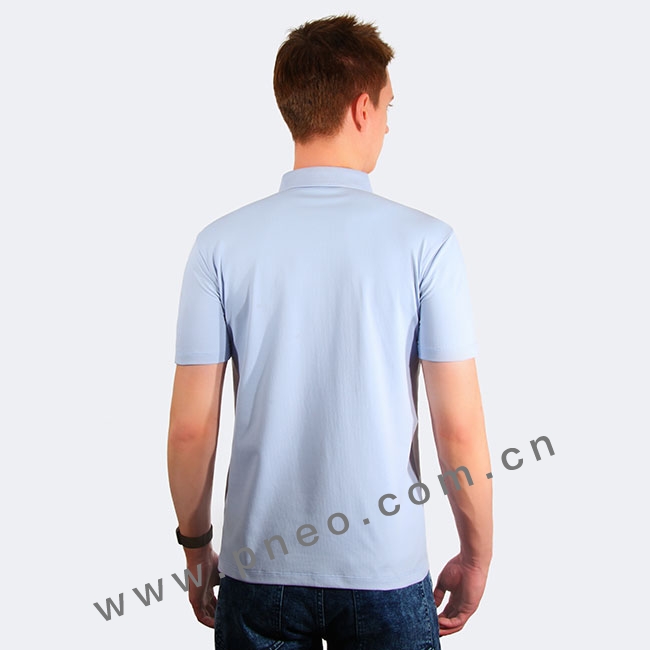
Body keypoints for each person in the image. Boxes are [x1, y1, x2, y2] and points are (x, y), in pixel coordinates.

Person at [167, 13, 493, 650]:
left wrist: (197, 548)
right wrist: (476, 554)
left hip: (258, 569)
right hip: (386, 570)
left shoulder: (219, 245)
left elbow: (189, 430)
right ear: (362, 107)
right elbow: (459, 429)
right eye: (389, 106)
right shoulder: (427, 244)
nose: (390, 124)